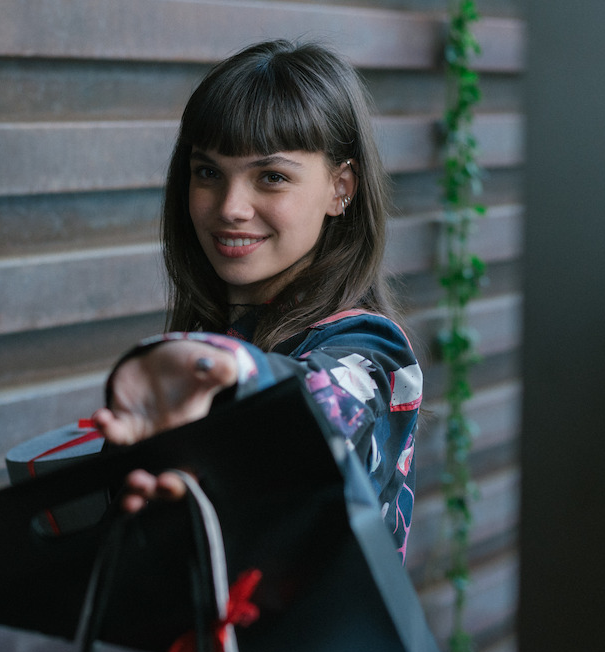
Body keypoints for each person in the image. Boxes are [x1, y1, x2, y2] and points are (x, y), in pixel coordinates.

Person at [90, 39, 421, 561]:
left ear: (341, 188)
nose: (231, 207)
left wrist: (226, 376)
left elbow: (323, 413)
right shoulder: (212, 335)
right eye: (208, 173)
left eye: (272, 177)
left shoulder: (367, 349)